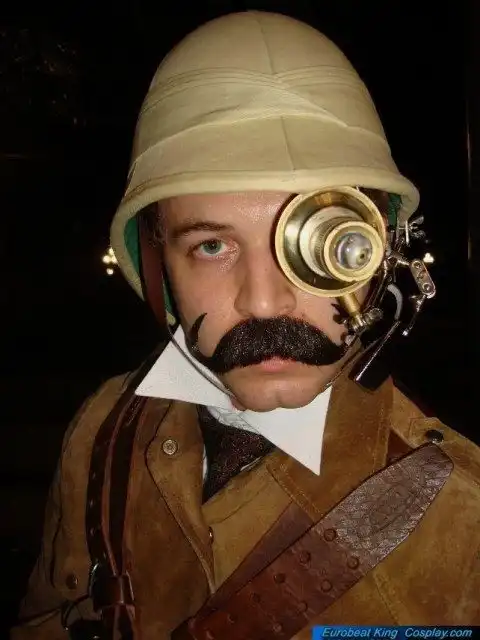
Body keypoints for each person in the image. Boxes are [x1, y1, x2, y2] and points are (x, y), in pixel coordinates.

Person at [11, 11, 479, 640]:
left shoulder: (462, 522)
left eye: (315, 241)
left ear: (381, 252)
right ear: (157, 267)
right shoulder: (104, 433)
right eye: (212, 246)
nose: (263, 301)